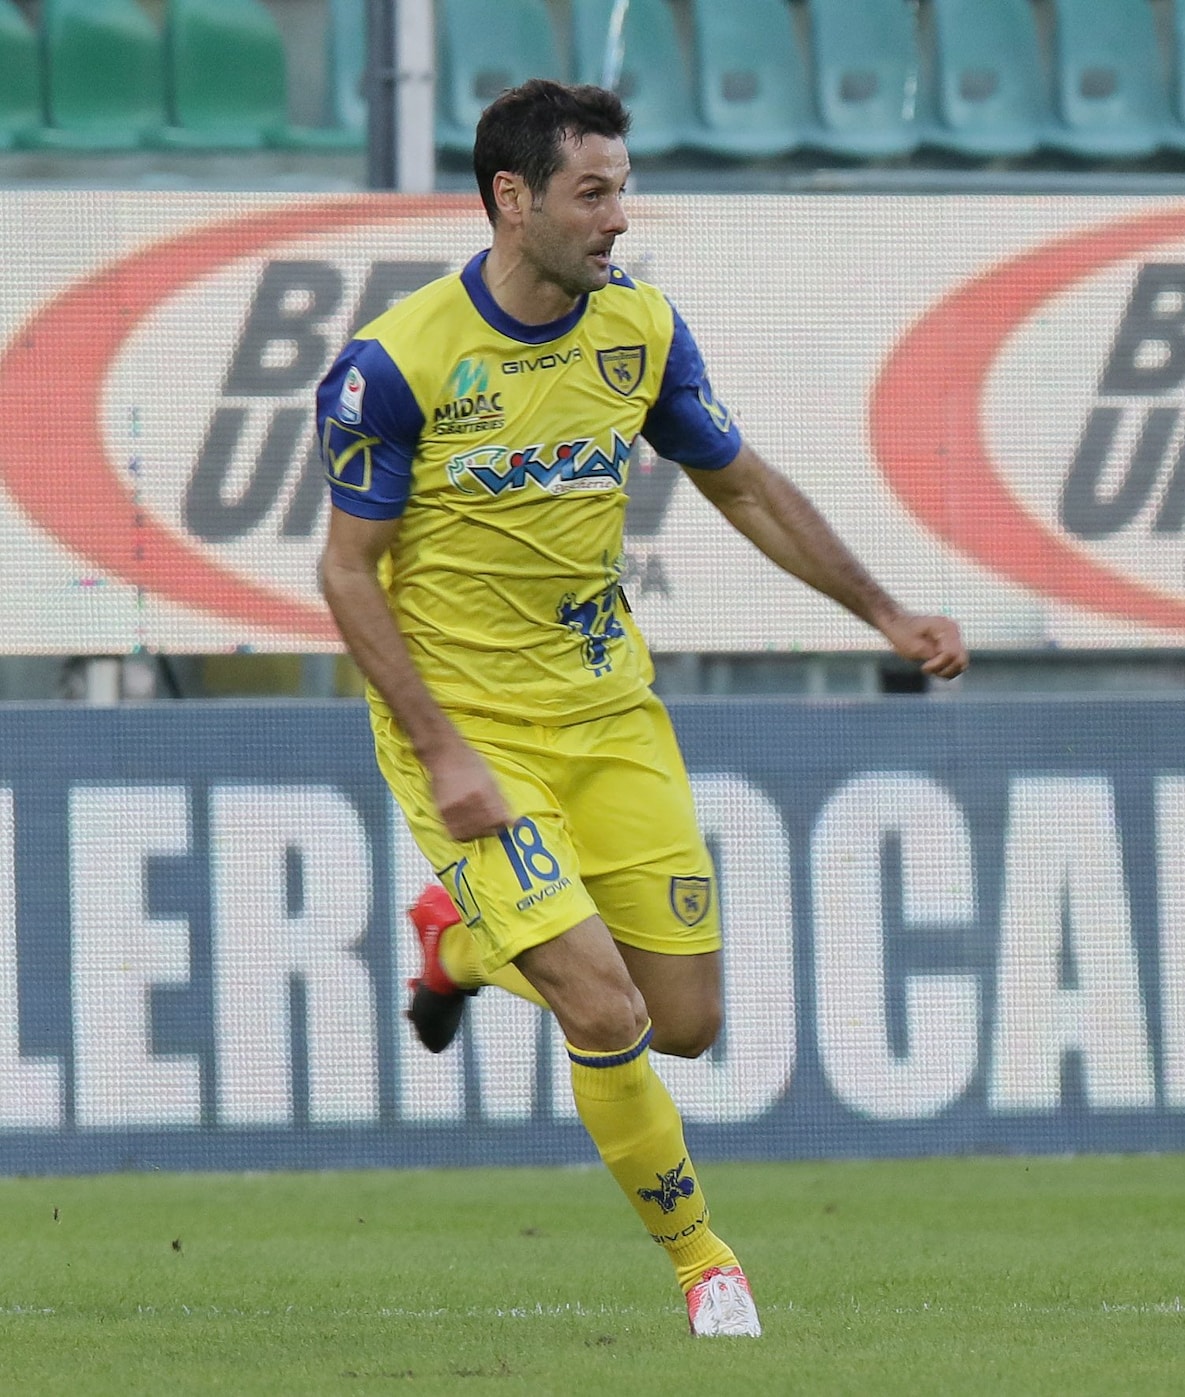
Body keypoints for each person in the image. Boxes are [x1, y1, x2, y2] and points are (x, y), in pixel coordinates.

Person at [315, 80, 966, 1338]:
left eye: (622, 188)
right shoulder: (397, 363)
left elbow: (744, 485)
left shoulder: (642, 332)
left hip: (611, 714)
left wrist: (883, 613)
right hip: (470, 735)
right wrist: (444, 749)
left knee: (684, 1022)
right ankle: (705, 1263)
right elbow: (347, 572)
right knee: (601, 1005)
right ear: (513, 199)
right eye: (593, 193)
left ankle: (452, 945)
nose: (619, 218)